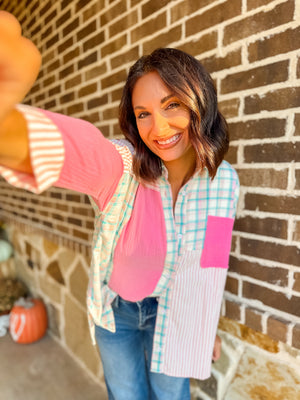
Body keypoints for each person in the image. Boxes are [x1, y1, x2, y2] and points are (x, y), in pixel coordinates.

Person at [0, 11, 239, 400]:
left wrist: (205, 327)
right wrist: (9, 130)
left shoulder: (223, 181)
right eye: (143, 114)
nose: (158, 128)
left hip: (179, 315)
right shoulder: (126, 168)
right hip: (118, 314)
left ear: (200, 100)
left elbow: (212, 261)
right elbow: (86, 152)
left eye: (172, 105)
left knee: (171, 397)